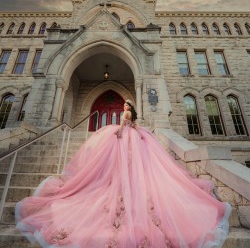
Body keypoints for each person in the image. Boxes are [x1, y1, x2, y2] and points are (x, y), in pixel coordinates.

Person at [15, 99, 231, 248]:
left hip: (126, 140)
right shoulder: (136, 122)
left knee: (120, 164)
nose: (125, 106)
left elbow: (122, 127)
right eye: (125, 104)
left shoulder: (125, 116)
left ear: (130, 108)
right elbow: (134, 127)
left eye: (127, 105)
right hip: (135, 140)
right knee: (132, 167)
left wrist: (115, 133)